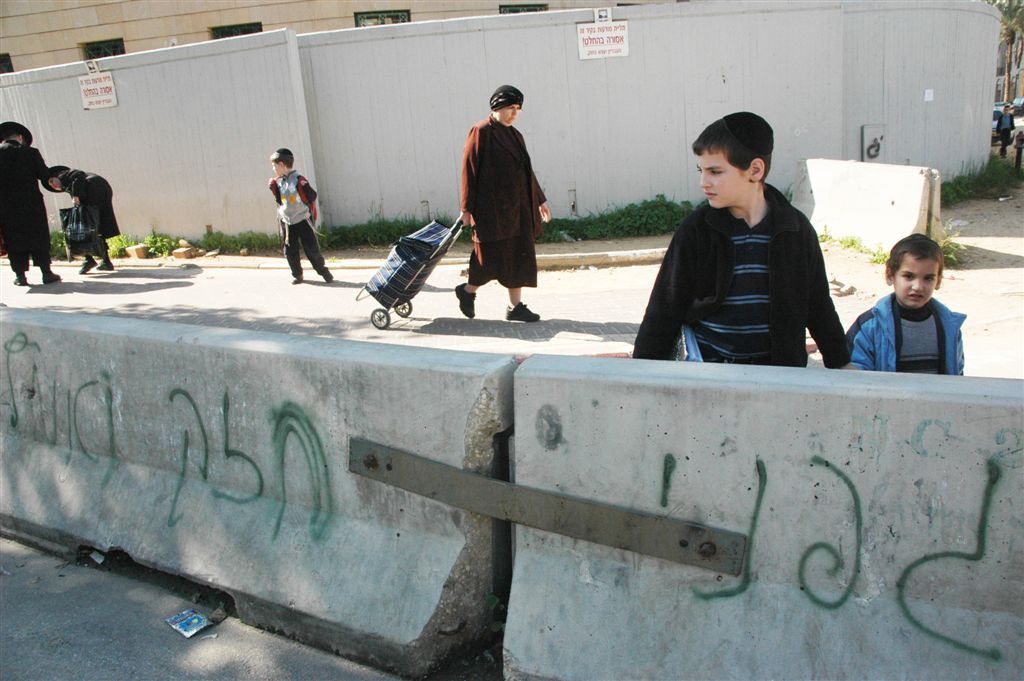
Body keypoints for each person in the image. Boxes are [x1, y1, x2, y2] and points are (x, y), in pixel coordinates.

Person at [633, 112, 851, 368]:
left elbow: (818, 304)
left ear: (755, 170)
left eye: (715, 171)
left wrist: (841, 363)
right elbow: (665, 306)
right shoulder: (696, 230)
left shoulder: (795, 230)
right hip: (709, 371)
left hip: (778, 374)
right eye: (701, 170)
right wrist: (642, 370)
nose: (704, 182)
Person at [455, 85, 551, 322]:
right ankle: (467, 291)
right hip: (491, 210)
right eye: (510, 108)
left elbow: (526, 171)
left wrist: (540, 200)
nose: (514, 113)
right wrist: (466, 209)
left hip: (519, 209)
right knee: (487, 258)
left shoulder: (515, 135)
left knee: (519, 256)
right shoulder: (481, 131)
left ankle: (514, 307)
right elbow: (469, 171)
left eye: (518, 109)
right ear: (497, 106)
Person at [845, 234, 964, 374]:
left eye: (928, 278)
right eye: (909, 276)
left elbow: (957, 375)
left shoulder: (949, 327)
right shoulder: (869, 327)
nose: (918, 286)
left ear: (938, 281)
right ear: (890, 275)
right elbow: (855, 378)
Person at [0, 121, 61, 287]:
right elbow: (44, 176)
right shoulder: (31, 152)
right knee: (38, 236)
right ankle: (46, 273)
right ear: (20, 137)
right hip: (32, 204)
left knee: (13, 239)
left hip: (7, 207)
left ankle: (20, 276)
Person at [268, 148, 332, 285]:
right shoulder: (277, 182)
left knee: (311, 248)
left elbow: (312, 196)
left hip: (303, 220)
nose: (273, 169)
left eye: (274, 165)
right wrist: (273, 188)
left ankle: (324, 272)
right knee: (290, 250)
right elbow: (279, 200)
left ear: (281, 165)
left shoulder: (299, 180)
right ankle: (297, 275)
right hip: (287, 222)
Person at [45, 165, 119, 273]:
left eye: (52, 181)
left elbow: (78, 174)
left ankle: (90, 259)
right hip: (102, 188)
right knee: (96, 225)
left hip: (94, 189)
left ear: (56, 176)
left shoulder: (63, 175)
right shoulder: (68, 183)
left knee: (86, 227)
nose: (53, 185)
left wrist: (75, 196)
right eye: (51, 185)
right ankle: (104, 261)